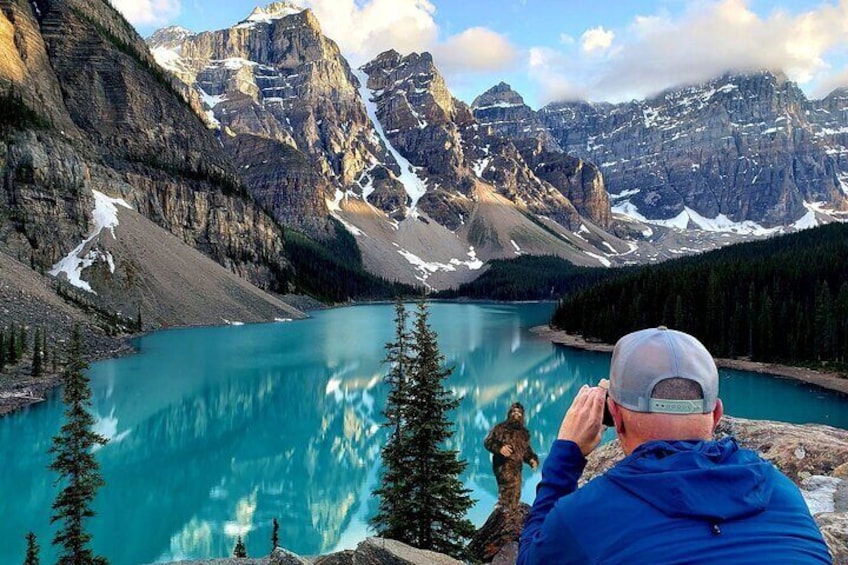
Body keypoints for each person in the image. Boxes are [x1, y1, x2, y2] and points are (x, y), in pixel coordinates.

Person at [518, 326, 831, 564]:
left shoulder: (581, 518)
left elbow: (531, 555)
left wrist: (565, 455)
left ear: (615, 416)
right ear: (717, 414)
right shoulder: (784, 494)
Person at [484, 402, 539, 508]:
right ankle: (502, 515)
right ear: (509, 414)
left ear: (522, 415)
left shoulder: (524, 433)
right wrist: (500, 448)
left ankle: (510, 517)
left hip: (517, 469)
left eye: (519, 412)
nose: (516, 414)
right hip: (503, 466)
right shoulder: (500, 428)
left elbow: (526, 451)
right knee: (507, 493)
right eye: (514, 411)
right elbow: (488, 442)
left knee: (516, 495)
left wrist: (532, 459)